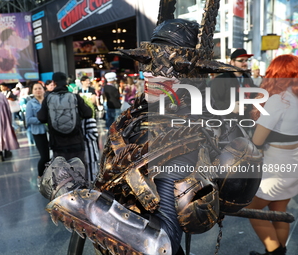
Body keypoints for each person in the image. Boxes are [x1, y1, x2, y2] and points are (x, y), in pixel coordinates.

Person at [38, 6, 277, 254]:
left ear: (190, 74)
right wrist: (89, 192)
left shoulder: (187, 139)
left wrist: (73, 197)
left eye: (165, 67)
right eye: (148, 63)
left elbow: (160, 244)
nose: (149, 73)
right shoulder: (137, 116)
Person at [247, 54, 298, 255]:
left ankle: (274, 251)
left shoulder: (279, 100)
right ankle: (280, 251)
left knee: (253, 209)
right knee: (279, 211)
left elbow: (258, 140)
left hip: (275, 165)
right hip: (293, 162)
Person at [37, 72, 92, 171]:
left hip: (58, 143)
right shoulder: (75, 97)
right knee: (79, 171)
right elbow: (88, 113)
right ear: (66, 81)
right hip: (76, 141)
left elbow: (41, 117)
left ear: (54, 82)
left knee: (62, 173)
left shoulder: (48, 99)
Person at [210, 48, 257, 121]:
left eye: (246, 60)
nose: (245, 63)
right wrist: (230, 107)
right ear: (232, 62)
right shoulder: (222, 79)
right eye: (241, 61)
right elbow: (212, 100)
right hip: (227, 123)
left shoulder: (248, 78)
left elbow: (253, 94)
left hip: (246, 120)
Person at [25, 82, 50, 184]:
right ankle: (40, 176)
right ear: (32, 91)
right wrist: (42, 120)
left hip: (51, 132)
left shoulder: (48, 101)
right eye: (35, 89)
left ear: (43, 89)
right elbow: (29, 119)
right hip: (38, 132)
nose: (38, 90)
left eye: (39, 88)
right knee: (44, 156)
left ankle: (49, 176)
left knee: (52, 156)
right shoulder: (30, 103)